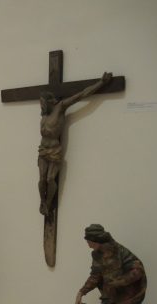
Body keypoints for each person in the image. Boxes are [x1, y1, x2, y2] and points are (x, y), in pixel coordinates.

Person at [38, 72, 112, 216]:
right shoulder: (44, 115)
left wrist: (101, 83)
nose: (41, 105)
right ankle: (42, 202)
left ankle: (49, 203)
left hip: (54, 150)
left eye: (42, 102)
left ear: (49, 101)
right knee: (41, 179)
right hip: (42, 150)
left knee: (50, 179)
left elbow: (81, 95)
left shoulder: (60, 107)